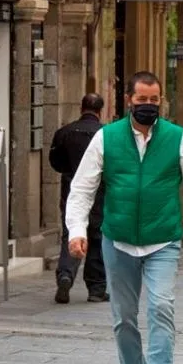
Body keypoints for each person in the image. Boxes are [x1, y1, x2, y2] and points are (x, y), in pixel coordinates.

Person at [66, 71, 183, 364]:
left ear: (160, 100)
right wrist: (77, 230)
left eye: (154, 100)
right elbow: (82, 188)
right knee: (123, 316)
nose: (148, 105)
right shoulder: (106, 138)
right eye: (142, 99)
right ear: (129, 101)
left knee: (161, 306)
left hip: (162, 239)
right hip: (118, 239)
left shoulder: (178, 138)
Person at [49, 93, 108, 304]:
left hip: (71, 188)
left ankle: (65, 275)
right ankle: (96, 288)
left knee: (72, 232)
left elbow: (55, 162)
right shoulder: (105, 134)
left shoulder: (64, 132)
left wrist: (70, 172)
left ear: (81, 108)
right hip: (100, 191)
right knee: (97, 236)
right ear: (100, 111)